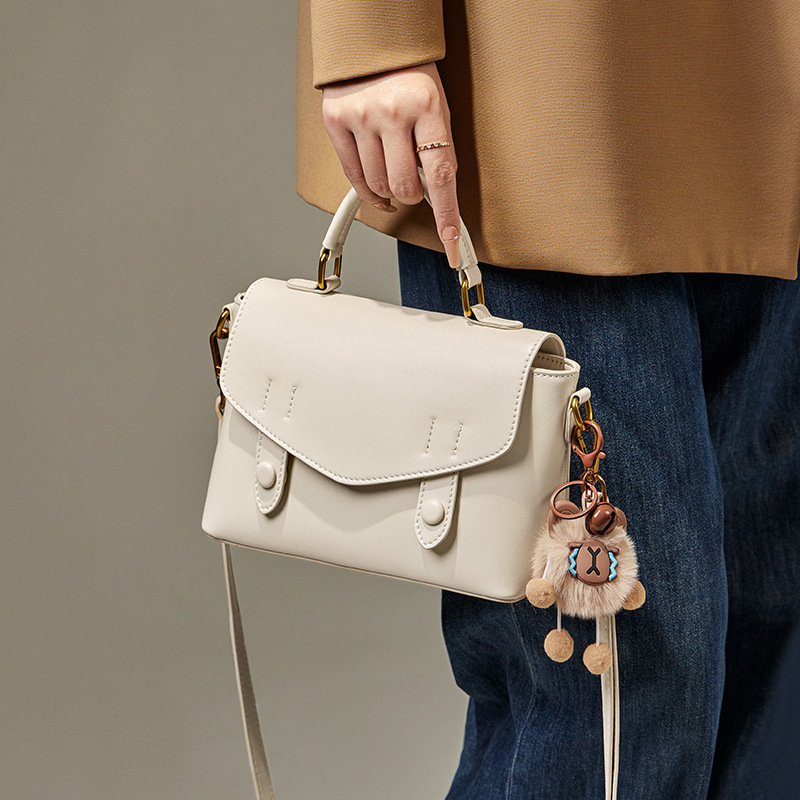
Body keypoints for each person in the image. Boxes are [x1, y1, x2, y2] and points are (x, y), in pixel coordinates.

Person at [295, 2, 800, 797]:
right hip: (550, 86)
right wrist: (372, 35)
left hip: (769, 85)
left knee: (765, 628)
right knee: (620, 678)